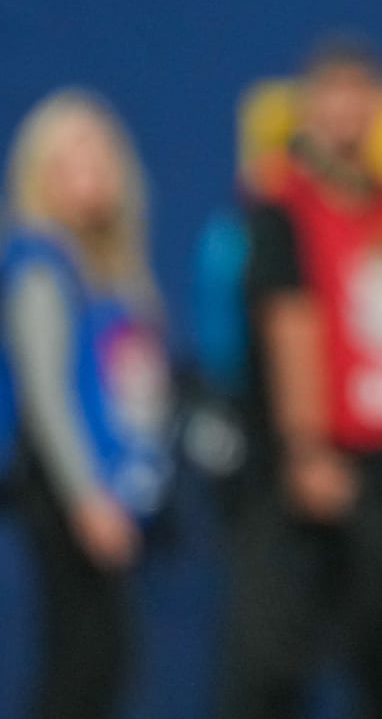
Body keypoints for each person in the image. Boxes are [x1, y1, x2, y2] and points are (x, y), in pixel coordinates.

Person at [217, 36, 382, 719]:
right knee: (275, 654)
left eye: (363, 93)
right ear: (308, 107)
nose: (350, 110)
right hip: (309, 464)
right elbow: (291, 324)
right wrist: (306, 448)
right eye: (334, 93)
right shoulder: (280, 204)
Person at [0, 89, 173, 719]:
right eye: (70, 165)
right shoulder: (42, 268)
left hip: (116, 489)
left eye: (100, 161)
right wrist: (86, 499)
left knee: (109, 661)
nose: (89, 178)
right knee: (82, 661)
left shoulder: (116, 270)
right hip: (63, 490)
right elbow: (46, 398)